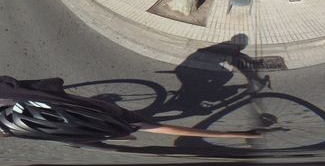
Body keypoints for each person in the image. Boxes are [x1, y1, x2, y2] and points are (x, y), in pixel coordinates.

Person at [0, 76, 263, 143]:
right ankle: (239, 134)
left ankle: (119, 135)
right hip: (97, 113)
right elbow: (51, 83)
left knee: (150, 126)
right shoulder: (7, 90)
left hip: (65, 126)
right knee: (154, 126)